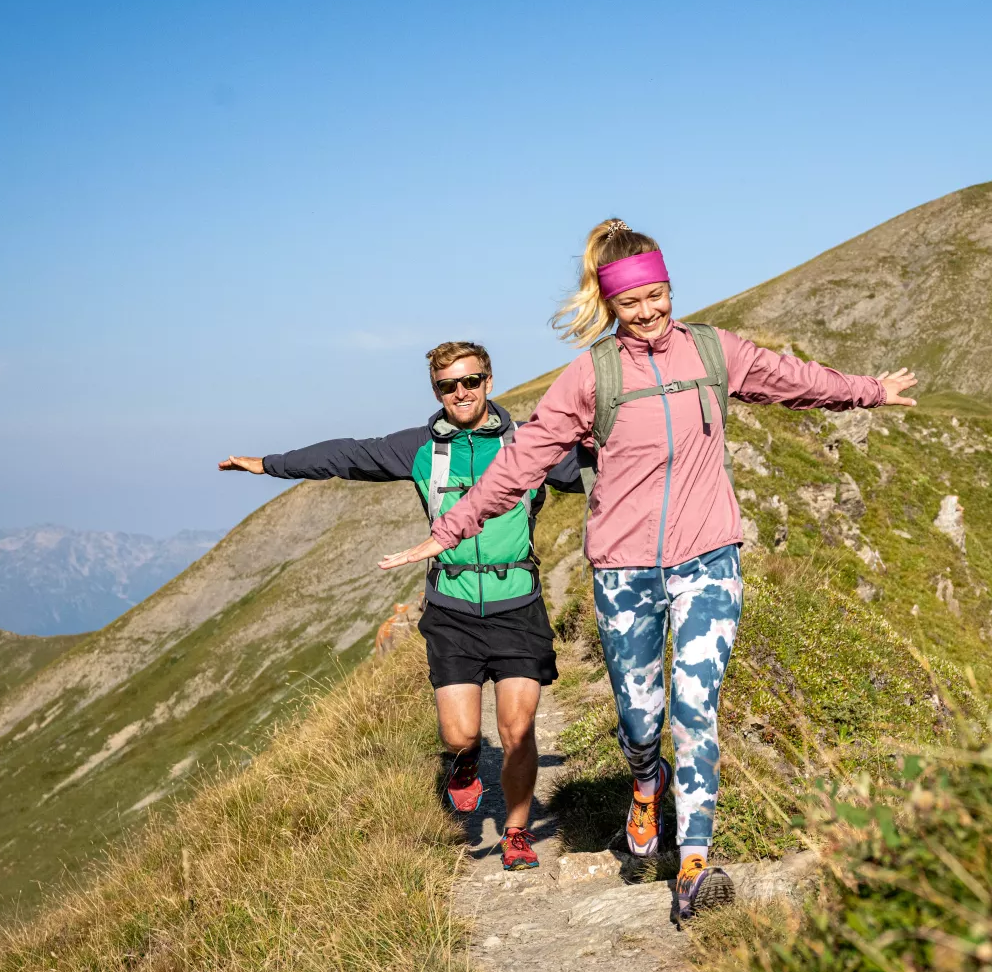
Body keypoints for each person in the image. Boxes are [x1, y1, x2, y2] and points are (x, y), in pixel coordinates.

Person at [379, 220, 918, 919]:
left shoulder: (714, 352)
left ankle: (694, 864)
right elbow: (520, 463)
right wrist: (448, 531)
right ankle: (644, 781)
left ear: (671, 289)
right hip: (625, 572)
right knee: (641, 721)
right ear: (610, 304)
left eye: (657, 295)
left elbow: (794, 380)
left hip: (708, 559)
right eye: (632, 303)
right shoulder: (592, 376)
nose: (648, 311)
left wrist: (869, 390)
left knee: (696, 710)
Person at [220, 341, 580, 872]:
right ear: (435, 390)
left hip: (517, 604)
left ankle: (517, 832)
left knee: (518, 729)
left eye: (471, 381)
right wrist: (269, 464)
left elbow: (594, 463)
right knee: (459, 734)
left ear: (489, 381)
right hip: (452, 607)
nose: (461, 392)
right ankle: (463, 765)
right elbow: (346, 455)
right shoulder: (419, 447)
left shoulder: (528, 440)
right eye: (447, 386)